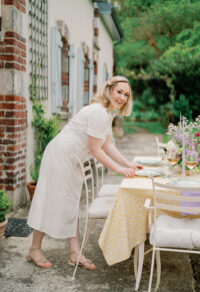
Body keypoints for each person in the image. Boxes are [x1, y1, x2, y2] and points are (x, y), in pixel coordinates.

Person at [27, 75, 142, 270]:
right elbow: (96, 150)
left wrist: (127, 163)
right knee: (50, 200)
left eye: (126, 94)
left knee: (72, 203)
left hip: (73, 159)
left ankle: (74, 253)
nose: (122, 97)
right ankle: (34, 248)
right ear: (109, 90)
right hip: (60, 156)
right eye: (119, 92)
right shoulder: (99, 112)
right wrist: (120, 170)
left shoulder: (108, 113)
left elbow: (107, 145)